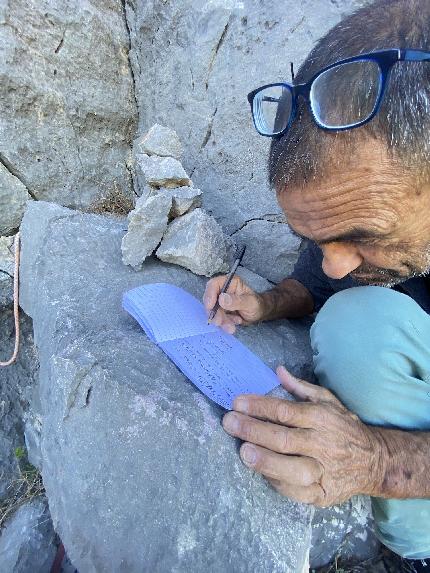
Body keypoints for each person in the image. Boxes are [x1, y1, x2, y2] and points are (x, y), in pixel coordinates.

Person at [204, 0, 430, 570]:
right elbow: (320, 277)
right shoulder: (366, 201)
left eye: (360, 234)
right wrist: (266, 304)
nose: (334, 265)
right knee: (355, 322)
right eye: (318, 237)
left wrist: (377, 461)